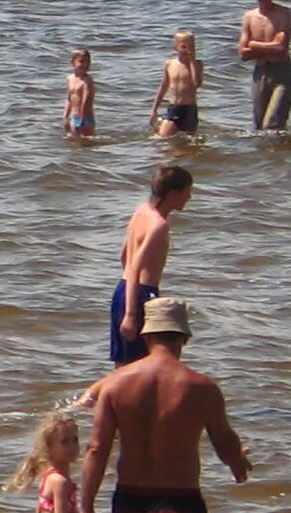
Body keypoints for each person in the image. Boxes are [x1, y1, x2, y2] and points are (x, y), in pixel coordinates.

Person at [76, 296, 251, 513]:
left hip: (130, 500)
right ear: (184, 338)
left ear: (146, 336)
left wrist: (85, 507)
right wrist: (238, 464)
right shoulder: (201, 388)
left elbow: (96, 449)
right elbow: (224, 442)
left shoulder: (115, 385)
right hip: (180, 502)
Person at [108, 165, 191, 366]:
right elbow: (136, 265)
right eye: (187, 192)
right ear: (173, 193)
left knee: (123, 367)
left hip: (123, 290)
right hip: (140, 297)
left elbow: (124, 255)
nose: (189, 197)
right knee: (141, 365)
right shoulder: (159, 225)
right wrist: (131, 314)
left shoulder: (141, 211)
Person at [237, 0, 291, 132]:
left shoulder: (283, 13)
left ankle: (281, 154)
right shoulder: (249, 17)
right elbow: (243, 53)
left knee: (272, 122)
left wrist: (254, 44)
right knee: (259, 126)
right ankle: (267, 155)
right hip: (260, 72)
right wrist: (270, 46)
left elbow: (281, 50)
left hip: (282, 72)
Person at [149, 30, 203, 136]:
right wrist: (154, 109)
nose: (187, 50)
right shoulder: (170, 64)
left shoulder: (197, 64)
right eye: (184, 46)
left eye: (191, 46)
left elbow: (197, 83)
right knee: (162, 139)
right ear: (175, 47)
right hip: (174, 108)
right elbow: (163, 86)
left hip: (189, 110)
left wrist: (191, 61)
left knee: (188, 146)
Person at [63, 49, 96, 138]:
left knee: (83, 141)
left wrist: (82, 119)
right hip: (74, 115)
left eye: (87, 62)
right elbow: (69, 99)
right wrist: (65, 117)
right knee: (72, 141)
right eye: (81, 61)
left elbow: (87, 99)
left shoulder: (87, 80)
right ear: (72, 62)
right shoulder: (70, 79)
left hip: (86, 117)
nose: (84, 64)